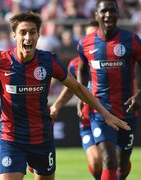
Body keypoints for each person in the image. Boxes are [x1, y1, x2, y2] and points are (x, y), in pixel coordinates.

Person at [0, 11, 130, 180]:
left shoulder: (48, 61)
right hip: (11, 140)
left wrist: (105, 113)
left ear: (38, 34)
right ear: (14, 35)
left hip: (42, 140)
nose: (28, 37)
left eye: (32, 32)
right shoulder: (0, 61)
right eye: (23, 33)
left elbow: (77, 88)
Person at [77, 0, 141, 179]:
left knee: (122, 161)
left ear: (118, 13)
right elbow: (81, 70)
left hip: (127, 110)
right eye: (103, 11)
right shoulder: (85, 43)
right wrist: (82, 97)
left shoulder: (132, 40)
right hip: (100, 112)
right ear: (96, 15)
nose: (108, 15)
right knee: (109, 159)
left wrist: (139, 94)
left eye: (112, 11)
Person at [50, 20, 103, 180]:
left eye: (96, 34)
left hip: (110, 117)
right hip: (87, 119)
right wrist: (56, 106)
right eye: (89, 35)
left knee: (117, 161)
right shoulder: (75, 65)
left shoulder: (110, 62)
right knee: (96, 161)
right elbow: (71, 88)